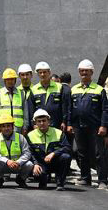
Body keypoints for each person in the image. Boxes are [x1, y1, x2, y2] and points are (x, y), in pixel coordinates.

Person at [69, 59, 108, 189]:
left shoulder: (99, 90)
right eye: (82, 71)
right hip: (78, 127)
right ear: (79, 72)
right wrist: (70, 124)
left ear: (92, 72)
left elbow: (105, 109)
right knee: (82, 153)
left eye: (86, 71)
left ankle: (102, 180)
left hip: (95, 127)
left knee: (98, 154)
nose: (84, 73)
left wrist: (104, 125)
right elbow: (70, 109)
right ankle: (86, 178)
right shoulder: (74, 89)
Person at [27, 109, 72, 191]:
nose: (42, 123)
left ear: (49, 121)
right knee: (39, 174)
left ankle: (60, 183)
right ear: (35, 123)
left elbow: (67, 147)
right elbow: (30, 153)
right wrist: (35, 164)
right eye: (39, 121)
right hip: (40, 164)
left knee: (66, 157)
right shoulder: (30, 135)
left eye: (44, 120)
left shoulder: (58, 133)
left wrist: (54, 153)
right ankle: (43, 180)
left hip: (55, 162)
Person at [0, 114, 34, 188]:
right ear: (0, 127)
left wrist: (18, 162)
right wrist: (7, 161)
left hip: (18, 165)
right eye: (3, 126)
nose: (6, 128)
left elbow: (27, 153)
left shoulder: (20, 137)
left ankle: (21, 180)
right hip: (4, 164)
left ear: (13, 126)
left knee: (29, 164)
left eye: (8, 126)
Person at [29, 61, 71, 132]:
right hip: (40, 125)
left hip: (57, 124)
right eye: (40, 73)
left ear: (49, 72)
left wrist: (64, 121)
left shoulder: (59, 87)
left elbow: (64, 106)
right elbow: (31, 109)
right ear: (38, 74)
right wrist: (33, 123)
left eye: (44, 72)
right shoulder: (34, 89)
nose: (42, 74)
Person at [0, 68, 29, 135]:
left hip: (18, 127)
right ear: (4, 80)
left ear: (15, 80)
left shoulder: (21, 93)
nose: (10, 81)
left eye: (12, 79)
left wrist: (25, 127)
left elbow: (25, 111)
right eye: (8, 79)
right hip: (4, 126)